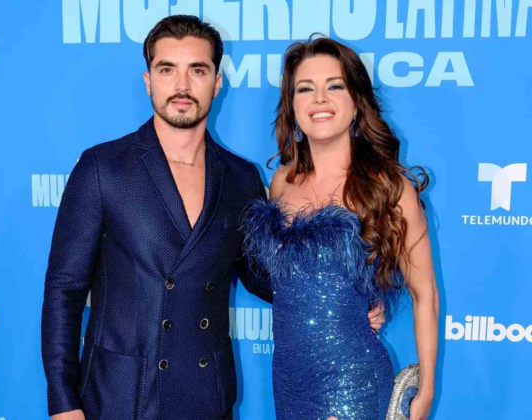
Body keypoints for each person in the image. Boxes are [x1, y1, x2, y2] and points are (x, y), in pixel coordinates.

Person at [41, 16, 385, 420]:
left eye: (198, 70)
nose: (182, 85)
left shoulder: (240, 178)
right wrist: (64, 404)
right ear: (149, 81)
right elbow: (64, 291)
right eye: (167, 70)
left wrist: (345, 301)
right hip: (120, 396)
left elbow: (263, 275)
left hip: (207, 396)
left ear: (217, 82)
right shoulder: (103, 167)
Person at [243, 36, 439, 420]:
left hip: (351, 379)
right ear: (292, 106)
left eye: (334, 86)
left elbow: (425, 294)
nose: (319, 99)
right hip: (287, 380)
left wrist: (426, 388)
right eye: (305, 89)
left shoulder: (389, 188)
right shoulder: (282, 182)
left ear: (356, 102)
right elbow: (296, 285)